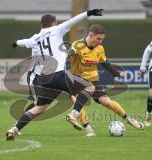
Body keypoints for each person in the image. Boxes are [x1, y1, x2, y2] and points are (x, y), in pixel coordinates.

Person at [6, 9, 103, 141]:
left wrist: (15, 43)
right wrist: (89, 13)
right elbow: (74, 20)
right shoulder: (57, 30)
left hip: (43, 80)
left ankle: (14, 129)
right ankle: (74, 114)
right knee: (90, 87)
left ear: (41, 25)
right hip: (57, 74)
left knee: (39, 108)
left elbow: (24, 42)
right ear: (54, 23)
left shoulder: (36, 38)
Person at [67, 24, 144, 135]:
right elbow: (70, 53)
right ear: (90, 35)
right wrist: (68, 54)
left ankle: (129, 119)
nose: (100, 41)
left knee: (106, 101)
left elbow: (105, 63)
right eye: (98, 39)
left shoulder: (100, 48)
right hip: (77, 79)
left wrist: (116, 74)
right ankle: (89, 130)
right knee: (79, 101)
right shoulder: (78, 45)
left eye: (102, 39)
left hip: (93, 79)